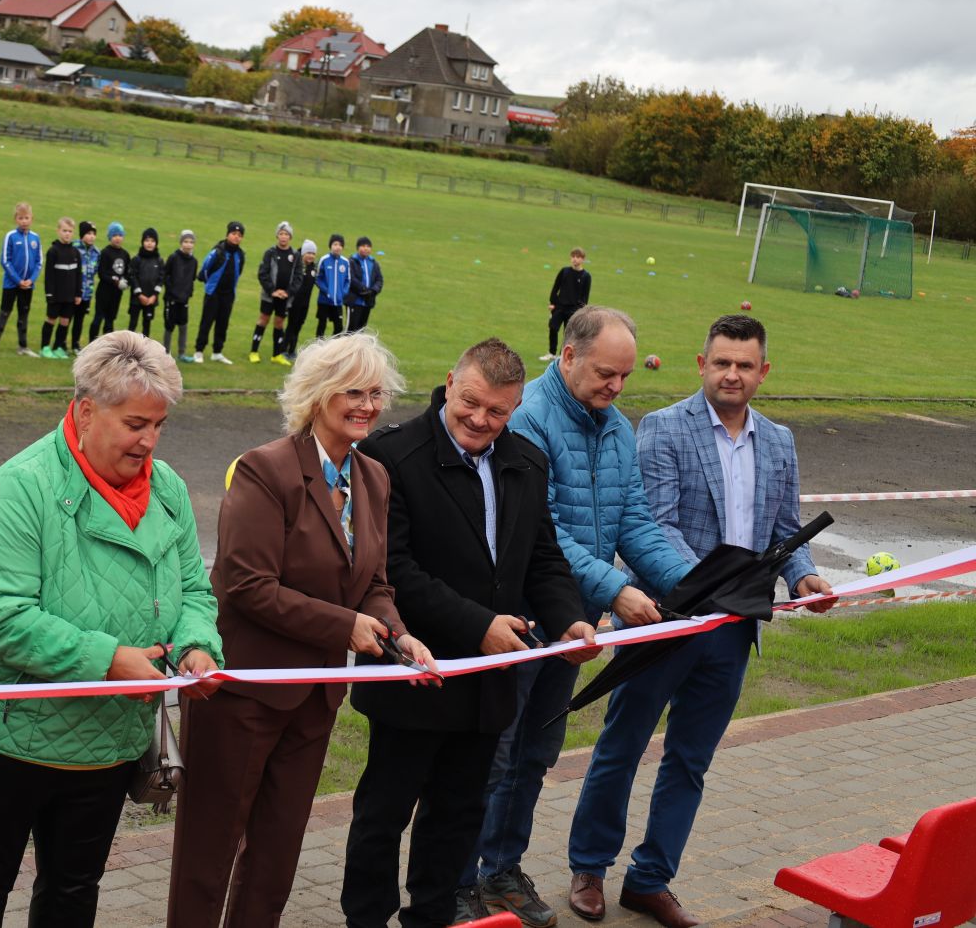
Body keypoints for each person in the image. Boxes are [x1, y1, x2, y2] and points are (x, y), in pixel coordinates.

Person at [0, 331, 224, 927]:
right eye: (136, 423)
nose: (150, 441)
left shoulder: (167, 490)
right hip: (8, 736)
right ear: (86, 411)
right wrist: (110, 659)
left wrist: (198, 646)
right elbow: (0, 620)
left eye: (159, 425)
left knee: (72, 891)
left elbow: (195, 589)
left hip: (107, 742)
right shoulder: (20, 487)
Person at [566, 314, 835, 928]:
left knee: (690, 760)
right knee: (622, 746)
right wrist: (718, 590)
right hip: (666, 621)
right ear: (701, 364)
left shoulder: (779, 440)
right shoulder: (661, 429)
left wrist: (803, 576)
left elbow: (786, 531)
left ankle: (651, 879)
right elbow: (654, 527)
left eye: (744, 365)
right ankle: (589, 865)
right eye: (721, 362)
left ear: (763, 372)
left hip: (734, 634)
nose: (732, 374)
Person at [168, 330, 436, 928]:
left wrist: (396, 633)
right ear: (317, 395)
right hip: (241, 694)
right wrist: (347, 627)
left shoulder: (373, 478)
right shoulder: (265, 471)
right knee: (207, 856)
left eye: (376, 392)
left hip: (315, 699)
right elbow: (246, 585)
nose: (368, 405)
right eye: (353, 392)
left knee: (278, 854)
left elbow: (374, 582)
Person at [342, 338, 599, 928]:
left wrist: (569, 618)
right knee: (382, 815)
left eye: (498, 412)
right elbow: (393, 570)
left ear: (516, 406)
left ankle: (431, 918)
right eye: (471, 405)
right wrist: (478, 624)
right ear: (450, 381)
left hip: (487, 682)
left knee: (458, 815)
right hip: (413, 673)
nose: (481, 422)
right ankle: (366, 919)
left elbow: (543, 556)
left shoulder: (526, 461)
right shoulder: (389, 456)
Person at [460, 306, 692, 928]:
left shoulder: (617, 428)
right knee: (495, 754)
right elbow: (545, 532)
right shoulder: (528, 419)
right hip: (519, 620)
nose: (615, 387)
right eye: (604, 374)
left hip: (574, 625)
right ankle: (460, 882)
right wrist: (616, 588)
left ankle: (502, 868)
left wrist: (692, 586)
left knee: (537, 751)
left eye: (623, 377)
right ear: (567, 357)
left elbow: (634, 522)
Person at [0, 201, 41, 357]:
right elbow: (5, 260)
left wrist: (31, 280)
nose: (24, 221)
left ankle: (23, 346)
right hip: (11, 284)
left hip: (28, 286)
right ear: (15, 219)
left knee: (23, 315)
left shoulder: (35, 238)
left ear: (31, 218)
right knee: (5, 312)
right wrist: (18, 280)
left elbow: (39, 262)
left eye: (27, 218)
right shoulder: (10, 236)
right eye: (21, 218)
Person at [192, 220, 246, 365]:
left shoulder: (240, 254)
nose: (236, 237)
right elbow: (204, 270)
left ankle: (217, 352)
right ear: (228, 234)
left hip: (228, 294)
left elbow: (238, 272)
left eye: (239, 235)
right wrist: (210, 284)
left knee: (223, 323)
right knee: (206, 322)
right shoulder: (218, 251)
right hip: (213, 293)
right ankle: (199, 351)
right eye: (233, 234)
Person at [250, 220, 300, 364]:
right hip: (269, 295)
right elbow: (263, 273)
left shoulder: (295, 255)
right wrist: (272, 290)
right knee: (263, 320)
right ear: (277, 236)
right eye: (281, 233)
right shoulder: (270, 253)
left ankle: (276, 354)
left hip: (285, 297)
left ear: (290, 237)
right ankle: (254, 351)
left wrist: (288, 293)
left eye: (286, 234)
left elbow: (298, 277)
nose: (283, 237)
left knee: (279, 323)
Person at [39, 215, 80, 359]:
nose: (67, 234)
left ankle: (57, 347)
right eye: (64, 230)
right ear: (58, 231)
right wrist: (49, 294)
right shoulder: (53, 251)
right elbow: (49, 275)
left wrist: (78, 293)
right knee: (51, 319)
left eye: (70, 231)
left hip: (70, 295)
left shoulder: (75, 252)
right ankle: (44, 347)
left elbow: (78, 275)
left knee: (65, 321)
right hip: (56, 295)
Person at [543, 248, 590, 362]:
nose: (575, 259)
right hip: (559, 307)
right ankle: (552, 353)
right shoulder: (564, 271)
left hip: (573, 310)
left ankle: (561, 356)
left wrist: (580, 310)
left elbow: (585, 296)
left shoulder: (586, 276)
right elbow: (556, 288)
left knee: (568, 334)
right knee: (553, 327)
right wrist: (553, 302)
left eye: (578, 257)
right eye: (573, 256)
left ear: (583, 259)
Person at [89, 221, 130, 340]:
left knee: (110, 319)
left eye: (120, 235)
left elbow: (128, 272)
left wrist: (126, 282)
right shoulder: (105, 252)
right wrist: (116, 281)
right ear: (110, 237)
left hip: (116, 293)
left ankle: (107, 347)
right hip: (104, 291)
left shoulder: (125, 254)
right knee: (98, 318)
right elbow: (102, 273)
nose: (118, 238)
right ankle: (92, 344)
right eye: (115, 235)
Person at [162, 228, 197, 361]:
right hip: (171, 299)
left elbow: (192, 279)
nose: (188, 244)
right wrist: (172, 292)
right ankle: (165, 354)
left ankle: (182, 353)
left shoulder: (194, 261)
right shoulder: (173, 257)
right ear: (181, 243)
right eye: (186, 241)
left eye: (191, 242)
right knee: (169, 326)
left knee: (183, 325)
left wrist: (188, 293)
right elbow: (166, 276)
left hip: (184, 299)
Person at [282, 239, 317, 362]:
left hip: (305, 303)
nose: (310, 256)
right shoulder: (297, 267)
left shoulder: (313, 269)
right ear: (303, 253)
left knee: (299, 326)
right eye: (308, 253)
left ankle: (291, 350)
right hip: (294, 302)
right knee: (291, 325)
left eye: (313, 254)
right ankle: (284, 350)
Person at [126, 227, 163, 337]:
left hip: (150, 300)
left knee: (147, 324)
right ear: (142, 242)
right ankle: (127, 349)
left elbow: (161, 279)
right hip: (136, 299)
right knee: (133, 324)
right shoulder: (137, 259)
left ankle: (144, 351)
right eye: (147, 240)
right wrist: (139, 294)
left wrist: (154, 295)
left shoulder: (159, 260)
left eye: (152, 241)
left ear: (156, 243)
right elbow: (132, 276)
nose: (149, 244)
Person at [70, 220, 99, 353]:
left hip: (87, 293)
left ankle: (75, 344)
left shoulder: (96, 253)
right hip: (73, 291)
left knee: (79, 320)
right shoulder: (73, 247)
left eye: (93, 233)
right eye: (88, 233)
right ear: (82, 234)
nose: (91, 236)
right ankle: (60, 344)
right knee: (67, 318)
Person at [315, 233, 350, 338]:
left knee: (339, 327)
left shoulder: (345, 262)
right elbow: (317, 278)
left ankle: (332, 348)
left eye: (340, 245)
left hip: (338, 301)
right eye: (335, 244)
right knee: (322, 324)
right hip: (324, 300)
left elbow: (348, 280)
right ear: (330, 246)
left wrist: (343, 293)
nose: (337, 247)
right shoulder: (324, 260)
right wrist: (327, 291)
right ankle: (318, 347)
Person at [347, 236, 384, 333]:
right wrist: (363, 289)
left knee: (361, 329)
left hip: (368, 301)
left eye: (368, 246)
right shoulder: (352, 261)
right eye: (363, 246)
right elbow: (351, 278)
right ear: (358, 248)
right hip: (355, 301)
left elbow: (379, 280)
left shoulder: (373, 263)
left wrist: (373, 291)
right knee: (351, 330)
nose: (366, 248)